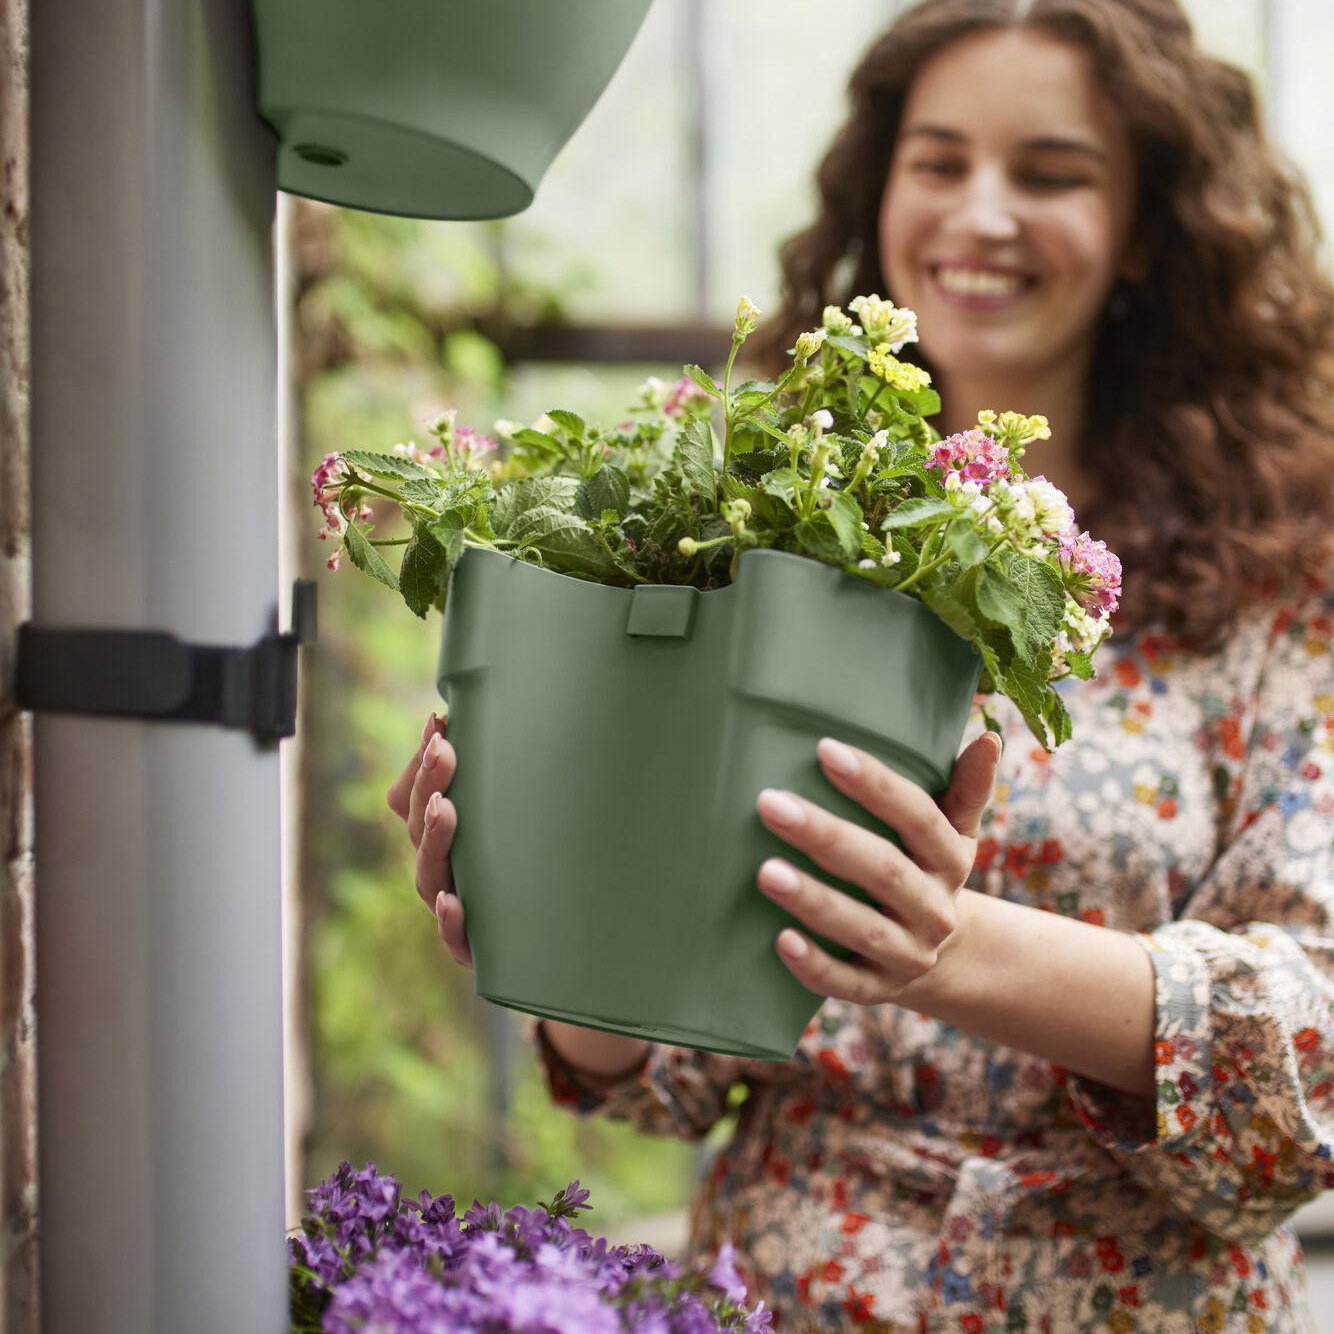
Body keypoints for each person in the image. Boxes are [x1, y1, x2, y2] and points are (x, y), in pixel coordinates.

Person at [386, 0, 1334, 1327]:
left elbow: (1313, 1053)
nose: (979, 213)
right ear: (879, 192)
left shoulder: (1286, 571)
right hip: (781, 1292)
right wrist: (550, 913)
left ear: (1146, 227)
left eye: (1049, 172)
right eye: (937, 161)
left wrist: (947, 949)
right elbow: (655, 1069)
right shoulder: (752, 511)